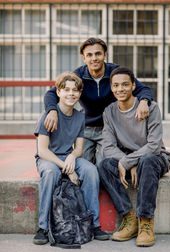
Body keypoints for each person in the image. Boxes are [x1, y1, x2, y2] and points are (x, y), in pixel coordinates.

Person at [43, 37, 153, 166]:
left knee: (104, 165)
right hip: (85, 127)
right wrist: (52, 110)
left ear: (105, 55)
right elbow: (51, 93)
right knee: (82, 164)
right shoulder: (78, 75)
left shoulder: (115, 73)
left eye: (98, 54)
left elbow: (144, 89)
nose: (94, 58)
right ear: (84, 58)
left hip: (109, 128)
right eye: (89, 55)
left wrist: (144, 101)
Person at [98, 67, 170, 247]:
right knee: (103, 165)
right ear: (111, 88)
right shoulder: (109, 112)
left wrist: (127, 161)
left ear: (133, 86)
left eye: (125, 84)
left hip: (156, 158)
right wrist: (129, 163)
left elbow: (154, 146)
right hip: (130, 159)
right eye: (116, 85)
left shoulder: (151, 108)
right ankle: (128, 217)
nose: (120, 89)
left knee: (147, 160)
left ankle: (146, 221)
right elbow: (108, 147)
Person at [33, 72, 109, 245]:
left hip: (68, 157)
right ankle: (43, 228)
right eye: (66, 89)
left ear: (80, 94)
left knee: (91, 170)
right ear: (58, 92)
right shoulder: (48, 115)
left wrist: (72, 157)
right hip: (49, 159)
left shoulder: (80, 116)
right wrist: (67, 167)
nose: (71, 93)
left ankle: (93, 224)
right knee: (51, 173)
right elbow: (42, 150)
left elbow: (79, 149)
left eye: (75, 90)